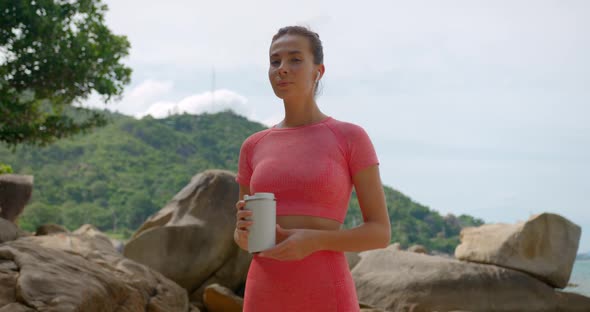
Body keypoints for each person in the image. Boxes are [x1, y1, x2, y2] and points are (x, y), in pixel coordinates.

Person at [234, 25, 391, 312]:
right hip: (264, 293)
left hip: (328, 291)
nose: (282, 68)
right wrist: (242, 235)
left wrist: (315, 241)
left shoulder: (350, 137)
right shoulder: (253, 146)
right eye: (274, 61)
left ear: (318, 71)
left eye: (295, 59)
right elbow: (243, 237)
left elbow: (380, 232)